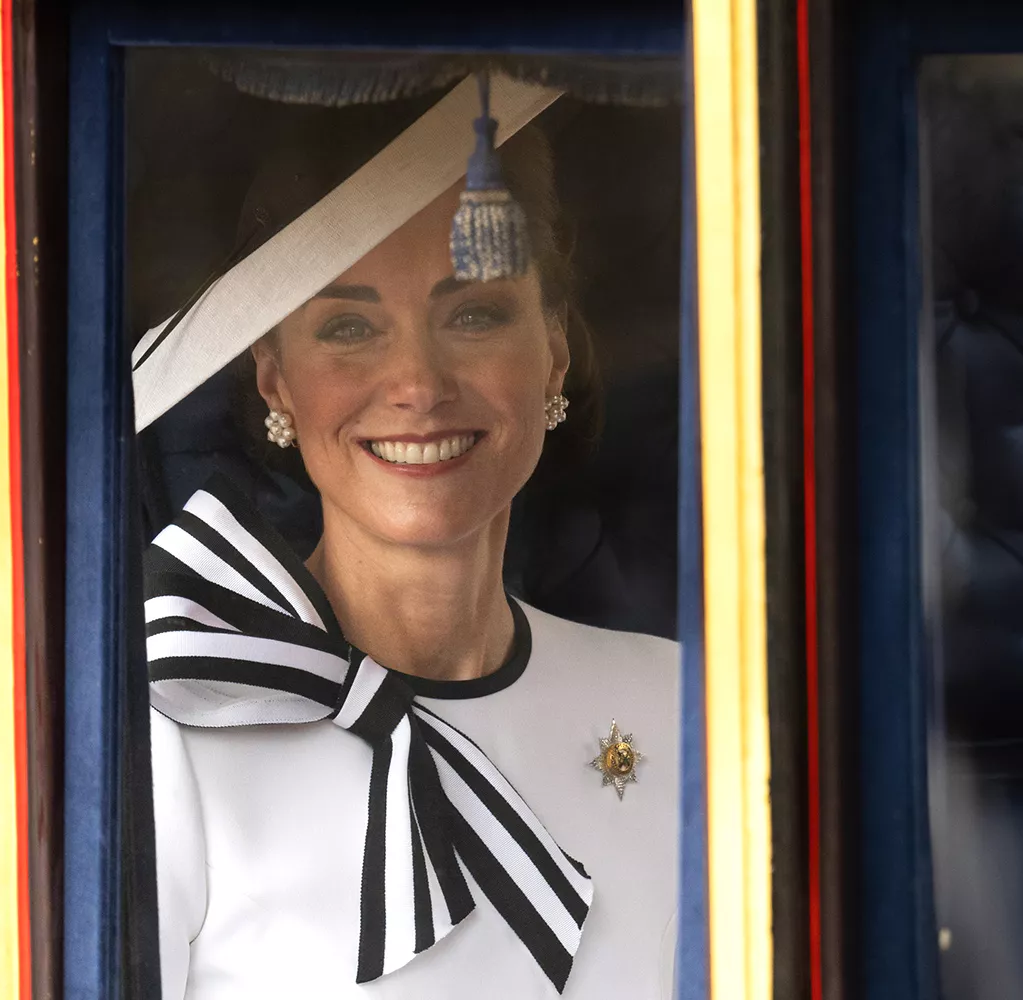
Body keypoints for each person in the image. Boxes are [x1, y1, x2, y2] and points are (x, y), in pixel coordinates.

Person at [136, 73, 681, 999]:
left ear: (553, 346)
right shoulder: (169, 730)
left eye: (473, 313)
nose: (417, 384)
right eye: (350, 326)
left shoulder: (680, 704)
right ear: (275, 380)